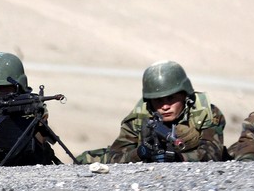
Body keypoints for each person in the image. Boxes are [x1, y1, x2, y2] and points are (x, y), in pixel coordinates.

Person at [77, 60, 225, 164]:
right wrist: (139, 153)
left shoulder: (205, 113)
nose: (165, 107)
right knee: (85, 159)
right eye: (158, 101)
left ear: (185, 95)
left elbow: (213, 153)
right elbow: (117, 156)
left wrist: (180, 158)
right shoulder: (139, 118)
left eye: (171, 99)